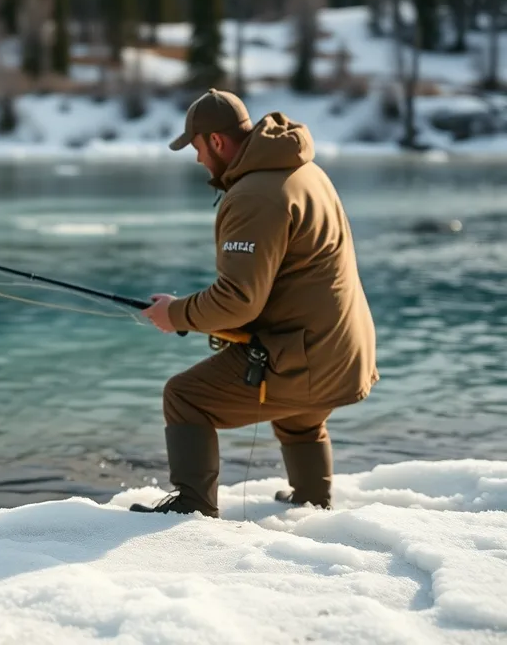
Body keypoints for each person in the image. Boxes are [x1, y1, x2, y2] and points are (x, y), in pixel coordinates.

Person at [132, 88, 379, 517]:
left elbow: (239, 301)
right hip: (347, 352)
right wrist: (186, 310)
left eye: (195, 147)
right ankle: (313, 500)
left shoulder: (254, 195)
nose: (196, 159)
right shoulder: (304, 171)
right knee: (301, 416)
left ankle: (192, 508)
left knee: (184, 396)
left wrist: (174, 314)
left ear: (216, 141)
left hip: (310, 360)